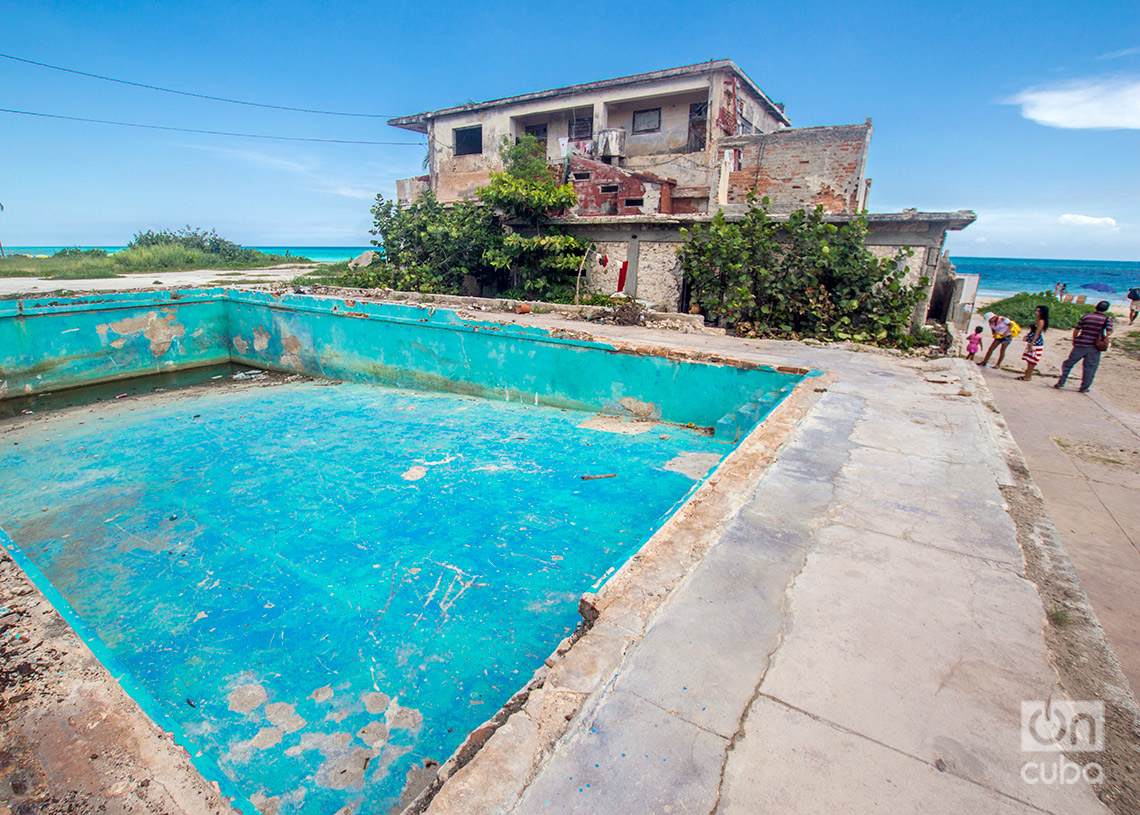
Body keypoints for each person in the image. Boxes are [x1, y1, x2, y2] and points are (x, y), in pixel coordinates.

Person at [1055, 300, 1114, 393]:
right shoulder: (1107, 319)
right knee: (1090, 367)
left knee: (1068, 363)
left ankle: (1061, 382)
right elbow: (1109, 332)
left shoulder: (1086, 316)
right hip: (1094, 346)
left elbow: (1077, 329)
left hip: (1081, 343)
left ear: (1096, 307)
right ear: (1106, 309)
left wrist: (1074, 340)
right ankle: (1084, 387)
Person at [1019, 305, 1049, 381]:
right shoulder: (1037, 320)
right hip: (1033, 340)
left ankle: (1028, 376)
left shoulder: (1041, 321)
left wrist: (1031, 344)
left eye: (1038, 311)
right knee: (1029, 359)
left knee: (1032, 359)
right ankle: (1027, 375)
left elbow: (1037, 333)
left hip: (1036, 342)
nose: (1036, 312)